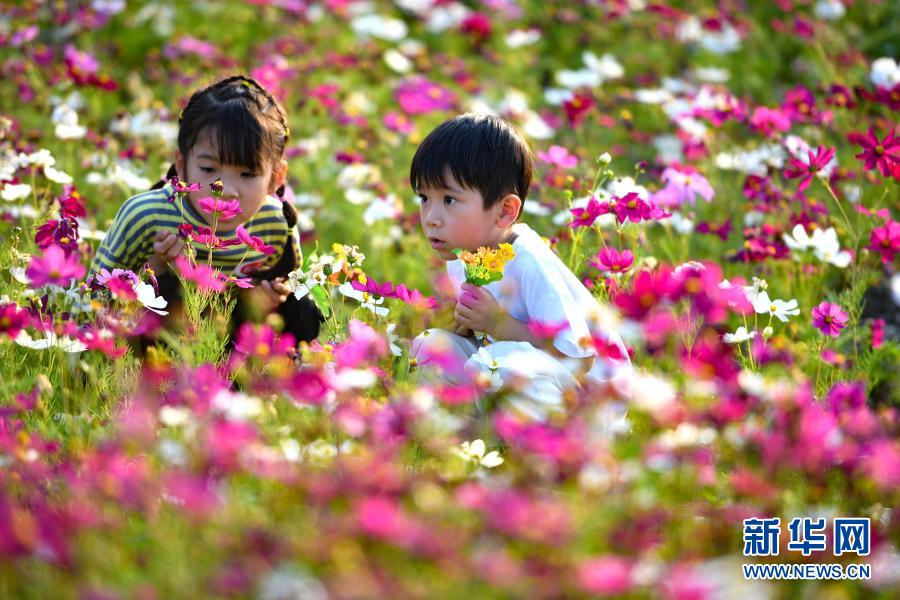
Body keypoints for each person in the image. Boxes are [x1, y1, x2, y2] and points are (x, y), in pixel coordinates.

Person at [409, 113, 631, 422]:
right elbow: (482, 344)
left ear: (504, 211)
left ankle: (537, 453)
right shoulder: (463, 259)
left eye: (448, 200)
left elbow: (580, 359)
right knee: (430, 346)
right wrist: (464, 325)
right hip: (520, 383)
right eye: (423, 197)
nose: (430, 216)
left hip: (589, 405)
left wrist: (498, 324)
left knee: (504, 363)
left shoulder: (529, 262)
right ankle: (459, 444)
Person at [88, 75, 322, 344]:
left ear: (277, 178)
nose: (225, 188)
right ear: (181, 164)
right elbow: (91, 306)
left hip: (229, 354)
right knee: (169, 289)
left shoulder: (275, 223)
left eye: (247, 174)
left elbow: (300, 316)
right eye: (209, 169)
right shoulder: (147, 217)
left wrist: (271, 301)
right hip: (150, 355)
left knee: (302, 309)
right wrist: (155, 268)